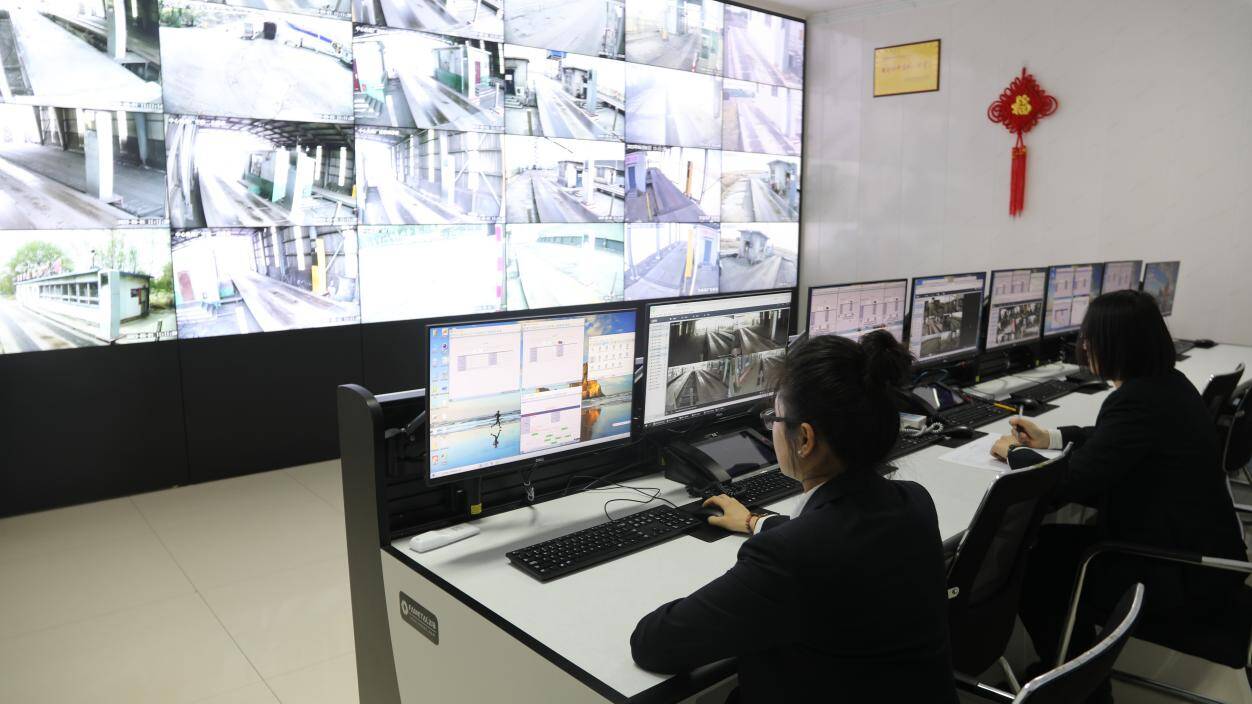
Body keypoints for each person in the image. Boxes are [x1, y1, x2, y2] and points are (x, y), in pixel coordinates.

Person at [630, 331, 958, 704]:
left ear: (804, 439)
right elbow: (839, 542)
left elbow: (655, 644)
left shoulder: (791, 557)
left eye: (774, 416)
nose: (771, 426)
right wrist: (756, 522)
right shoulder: (913, 502)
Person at [990, 290, 1245, 703]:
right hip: (1199, 551)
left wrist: (1014, 453)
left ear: (1113, 345)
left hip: (1176, 571)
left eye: (1088, 339)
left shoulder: (1136, 400)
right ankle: (1065, 668)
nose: (1084, 347)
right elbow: (1113, 440)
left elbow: (1072, 483)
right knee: (1049, 548)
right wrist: (1051, 437)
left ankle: (1078, 687)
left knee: (1036, 563)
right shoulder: (1167, 385)